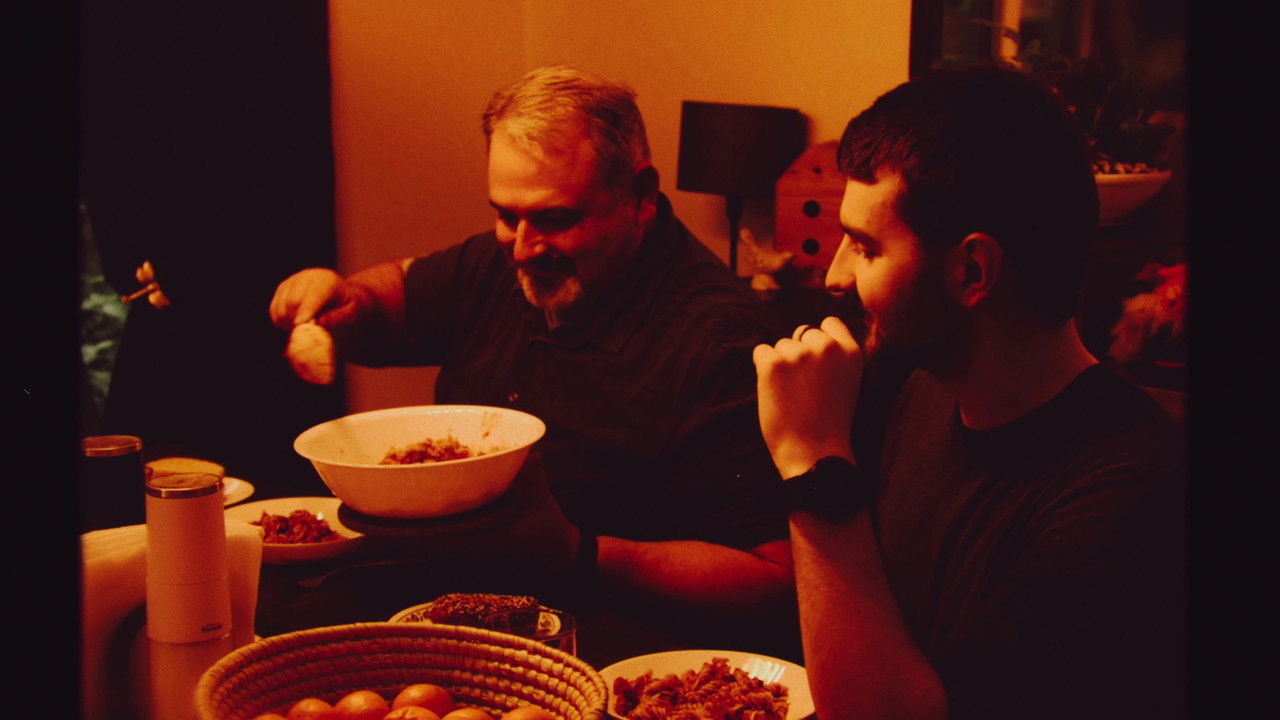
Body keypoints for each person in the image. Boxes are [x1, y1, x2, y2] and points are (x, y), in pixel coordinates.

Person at [270, 66, 794, 636]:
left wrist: (576, 553)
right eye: (504, 215)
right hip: (449, 596)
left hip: (609, 637)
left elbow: (774, 581)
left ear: (640, 197)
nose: (522, 249)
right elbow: (393, 297)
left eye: (555, 219)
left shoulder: (721, 342)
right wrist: (345, 299)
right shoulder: (507, 261)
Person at [753, 65, 1187, 719]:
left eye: (866, 247)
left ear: (972, 270)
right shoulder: (912, 384)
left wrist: (812, 468)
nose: (836, 274)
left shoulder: (1131, 494)